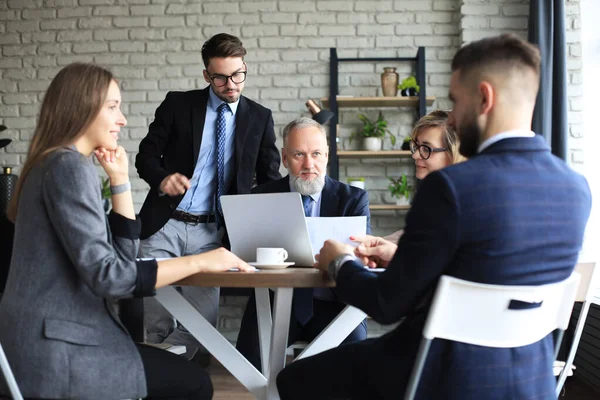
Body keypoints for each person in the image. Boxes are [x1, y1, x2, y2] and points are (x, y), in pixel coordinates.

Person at [276, 34, 592, 400]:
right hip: (530, 380)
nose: (454, 118)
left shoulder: (451, 187)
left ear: (485, 98)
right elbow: (490, 271)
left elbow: (387, 304)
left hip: (442, 374)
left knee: (294, 380)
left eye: (457, 102)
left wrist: (340, 263)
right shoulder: (575, 188)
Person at [0, 63, 254, 400]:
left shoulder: (53, 163)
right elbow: (111, 277)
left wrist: (119, 181)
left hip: (47, 344)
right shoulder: (68, 167)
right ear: (82, 107)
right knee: (194, 384)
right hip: (59, 353)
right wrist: (201, 261)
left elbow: (120, 262)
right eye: (113, 107)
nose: (122, 119)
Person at [135, 33, 281, 358]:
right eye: (221, 77)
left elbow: (269, 180)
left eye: (238, 74)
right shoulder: (178, 104)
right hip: (165, 225)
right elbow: (145, 156)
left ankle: (171, 371)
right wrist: (162, 179)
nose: (231, 84)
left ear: (244, 68)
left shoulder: (259, 117)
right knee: (155, 317)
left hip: (212, 234)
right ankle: (157, 381)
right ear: (207, 75)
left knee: (202, 322)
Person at [235, 117, 371, 371]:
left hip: (335, 304)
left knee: (355, 365)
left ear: (327, 156)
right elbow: (246, 255)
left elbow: (361, 256)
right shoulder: (261, 197)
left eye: (316, 154)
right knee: (249, 365)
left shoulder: (353, 200)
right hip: (276, 304)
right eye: (299, 155)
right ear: (285, 159)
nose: (309, 164)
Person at [363, 109, 465, 244]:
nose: (415, 155)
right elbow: (414, 235)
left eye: (426, 148)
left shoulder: (461, 204)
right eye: (416, 146)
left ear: (453, 153)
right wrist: (376, 242)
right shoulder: (437, 195)